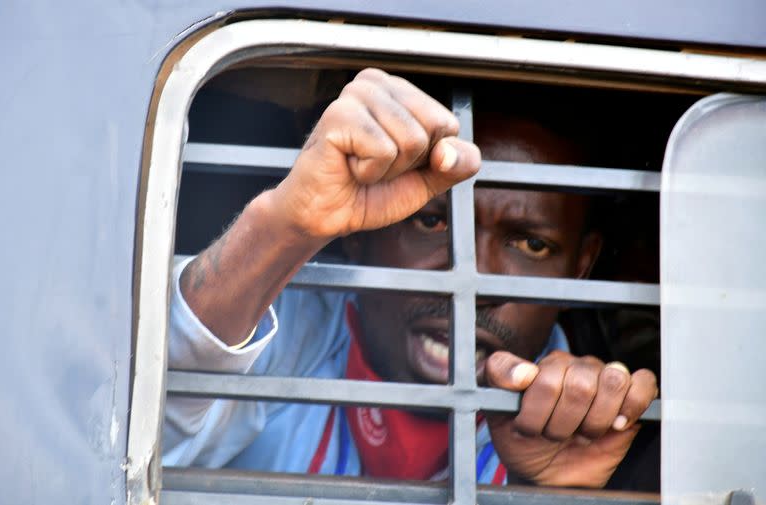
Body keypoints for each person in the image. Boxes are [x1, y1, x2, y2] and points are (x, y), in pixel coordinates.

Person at [163, 68, 658, 488]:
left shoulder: (587, 425)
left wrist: (551, 499)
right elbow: (132, 432)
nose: (474, 284)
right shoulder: (279, 330)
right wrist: (286, 225)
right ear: (356, 233)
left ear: (581, 269)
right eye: (431, 222)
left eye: (531, 244)